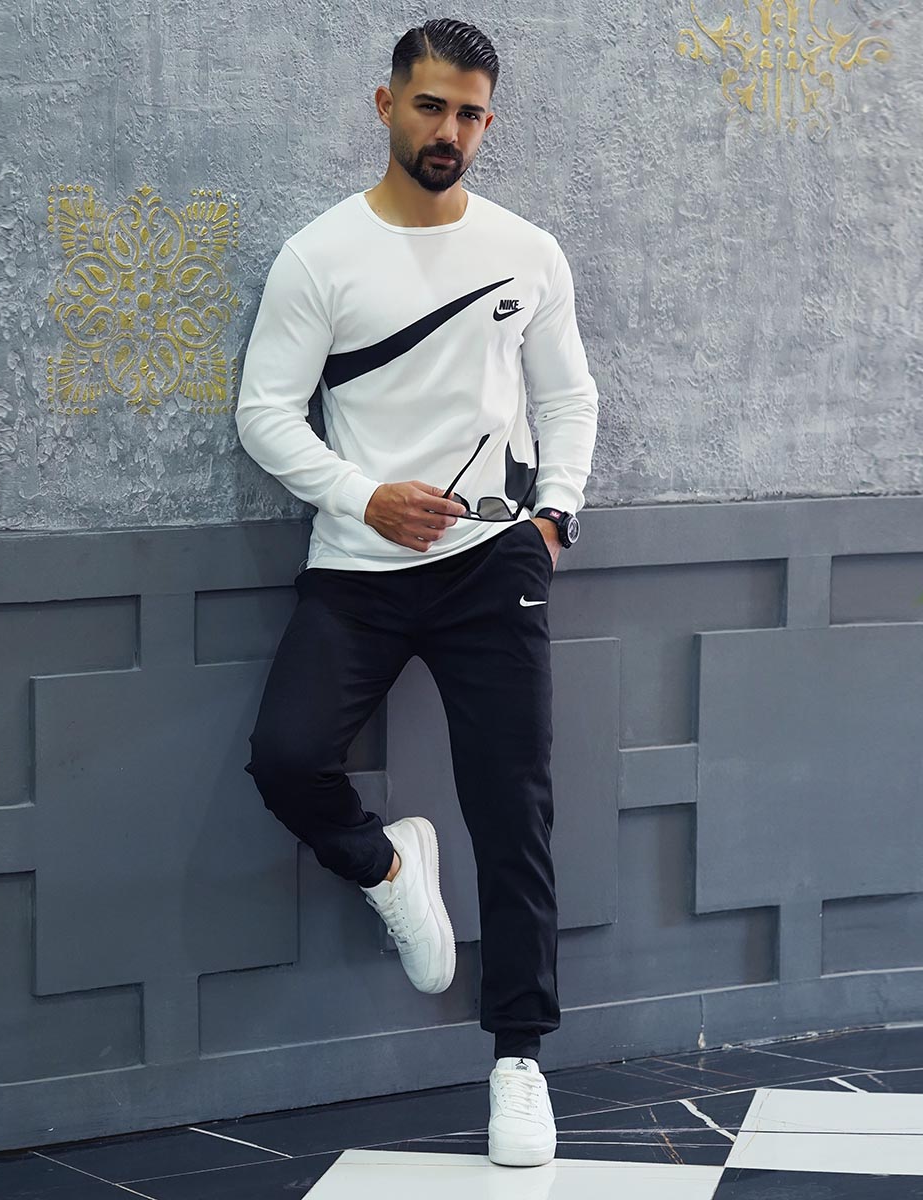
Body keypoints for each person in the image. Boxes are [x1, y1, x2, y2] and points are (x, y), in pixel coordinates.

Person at [235, 18, 598, 1169]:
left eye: (470, 113)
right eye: (431, 105)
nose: (450, 130)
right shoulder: (321, 256)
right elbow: (264, 414)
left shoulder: (527, 250)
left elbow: (569, 397)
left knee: (513, 809)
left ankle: (520, 1061)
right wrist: (362, 497)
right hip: (360, 567)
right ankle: (389, 866)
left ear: (490, 122)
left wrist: (555, 518)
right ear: (385, 104)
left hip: (496, 568)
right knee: (286, 758)